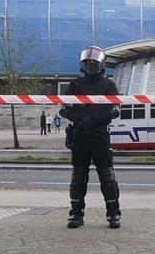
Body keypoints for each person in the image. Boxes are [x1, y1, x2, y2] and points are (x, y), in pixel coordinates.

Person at [59, 46, 121, 229]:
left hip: (100, 135)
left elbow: (115, 110)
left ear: (101, 64)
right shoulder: (75, 85)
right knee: (78, 178)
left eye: (93, 62)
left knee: (107, 178)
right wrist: (79, 119)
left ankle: (113, 214)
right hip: (80, 136)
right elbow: (64, 108)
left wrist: (94, 120)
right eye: (87, 62)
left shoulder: (108, 85)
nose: (90, 65)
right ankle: (76, 214)